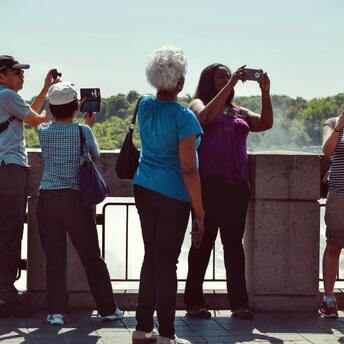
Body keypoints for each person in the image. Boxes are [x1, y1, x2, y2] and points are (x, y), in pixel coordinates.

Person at [184, 63, 273, 320]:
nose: (226, 78)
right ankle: (193, 303)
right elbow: (204, 120)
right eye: (221, 75)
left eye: (228, 74)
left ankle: (239, 304)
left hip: (237, 185)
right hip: (208, 185)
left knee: (234, 245)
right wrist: (231, 84)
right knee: (202, 244)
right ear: (208, 80)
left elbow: (265, 123)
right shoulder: (197, 104)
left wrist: (265, 92)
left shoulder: (238, 111)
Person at [131, 46, 204, 344]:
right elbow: (189, 169)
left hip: (144, 186)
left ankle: (142, 327)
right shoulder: (184, 118)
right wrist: (199, 211)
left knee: (152, 257)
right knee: (167, 263)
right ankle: (168, 334)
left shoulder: (144, 105)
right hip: (172, 194)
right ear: (180, 83)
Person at [36, 81, 123, 325]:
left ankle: (56, 312)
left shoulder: (43, 131)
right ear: (75, 106)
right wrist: (88, 123)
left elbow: (45, 117)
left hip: (48, 198)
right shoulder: (83, 132)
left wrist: (55, 102)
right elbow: (94, 155)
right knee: (91, 257)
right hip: (75, 199)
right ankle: (107, 308)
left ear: (52, 108)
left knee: (54, 258)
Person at [0, 55, 56, 317]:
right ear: (2, 75)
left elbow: (26, 114)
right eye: (17, 72)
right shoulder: (6, 96)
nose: (22, 77)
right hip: (9, 169)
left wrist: (45, 89)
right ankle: (6, 297)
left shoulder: (7, 99)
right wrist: (59, 104)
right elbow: (39, 122)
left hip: (5, 167)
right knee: (9, 233)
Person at [321, 111, 344, 318]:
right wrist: (340, 126)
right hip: (339, 194)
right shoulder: (333, 123)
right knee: (334, 244)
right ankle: (328, 298)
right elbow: (327, 150)